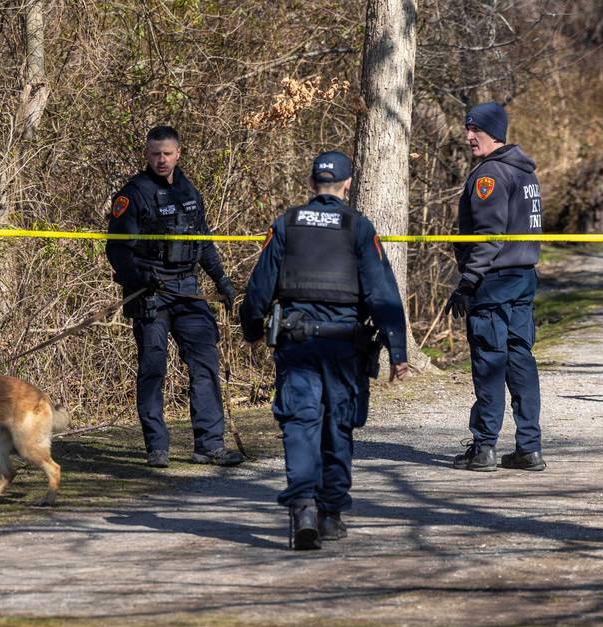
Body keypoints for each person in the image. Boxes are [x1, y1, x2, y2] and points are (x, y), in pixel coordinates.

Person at [240, 151, 409, 550]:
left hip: (297, 345)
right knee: (338, 426)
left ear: (311, 182)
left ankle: (303, 509)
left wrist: (250, 328)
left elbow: (260, 287)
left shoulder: (286, 224)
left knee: (301, 423)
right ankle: (331, 514)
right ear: (348, 184)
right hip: (344, 348)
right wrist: (397, 351)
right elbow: (383, 295)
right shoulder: (359, 228)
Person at [106, 125, 244, 468]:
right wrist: (140, 276)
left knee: (205, 364)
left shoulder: (188, 191)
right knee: (153, 367)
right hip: (149, 292)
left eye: (167, 153)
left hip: (187, 290)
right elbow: (117, 251)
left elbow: (204, 242)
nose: (161, 160)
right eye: (155, 154)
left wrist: (221, 280)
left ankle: (209, 445)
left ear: (178, 153)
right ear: (147, 155)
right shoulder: (133, 194)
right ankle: (157, 447)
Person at [447, 101, 546, 472]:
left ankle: (485, 447)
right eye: (467, 129)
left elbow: (489, 236)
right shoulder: (525, 173)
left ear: (495, 133)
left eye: (477, 130)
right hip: (522, 280)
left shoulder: (490, 175)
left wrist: (468, 282)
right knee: (521, 362)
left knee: (490, 363)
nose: (469, 136)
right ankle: (529, 448)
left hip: (494, 283)